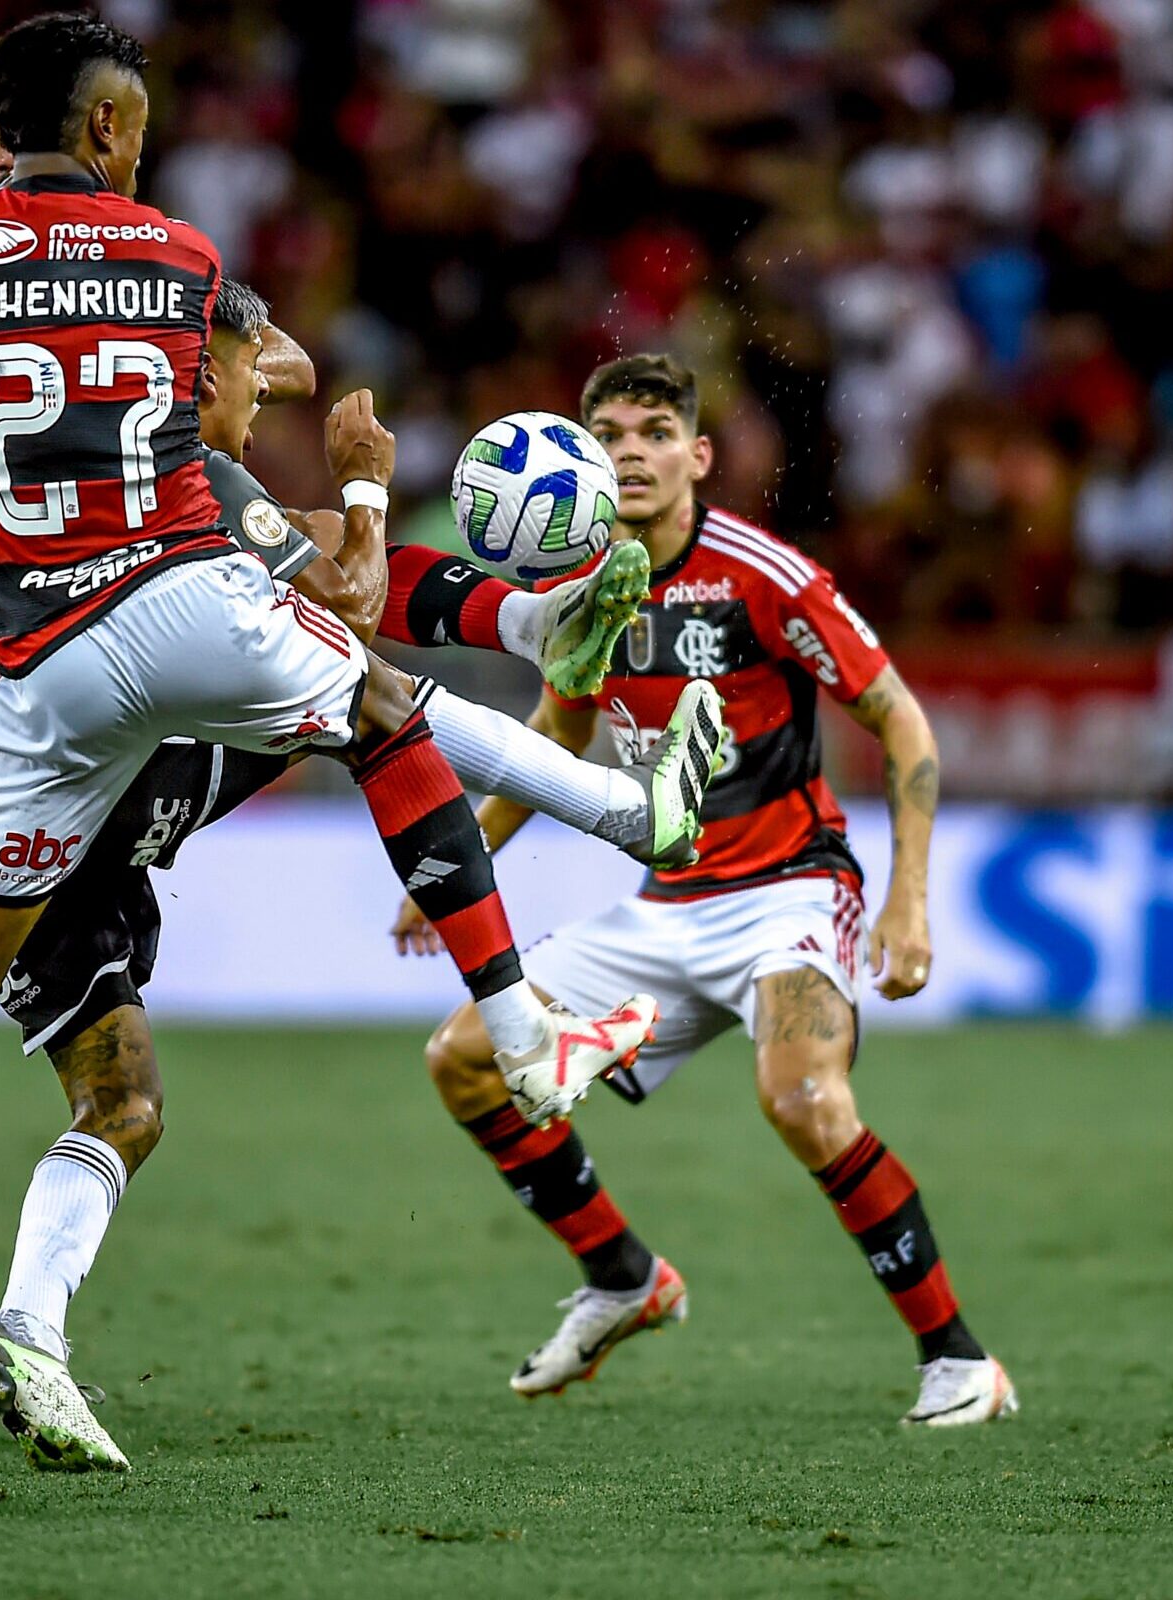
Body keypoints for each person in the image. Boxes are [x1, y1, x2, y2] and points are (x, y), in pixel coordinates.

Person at [0, 12, 664, 1463]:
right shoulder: (177, 271)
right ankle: (528, 1008)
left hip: (24, 678)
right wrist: (368, 473)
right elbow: (324, 509)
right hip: (168, 605)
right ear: (118, 132)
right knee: (377, 707)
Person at [405, 354, 1019, 1428]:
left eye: (653, 431)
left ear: (696, 456)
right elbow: (560, 732)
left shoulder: (760, 573)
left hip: (789, 889)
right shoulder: (585, 587)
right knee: (463, 1059)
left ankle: (958, 1360)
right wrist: (466, 854)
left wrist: (908, 900)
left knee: (803, 1102)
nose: (631, 451)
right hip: (667, 903)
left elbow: (899, 717)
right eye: (610, 434)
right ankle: (622, 1277)